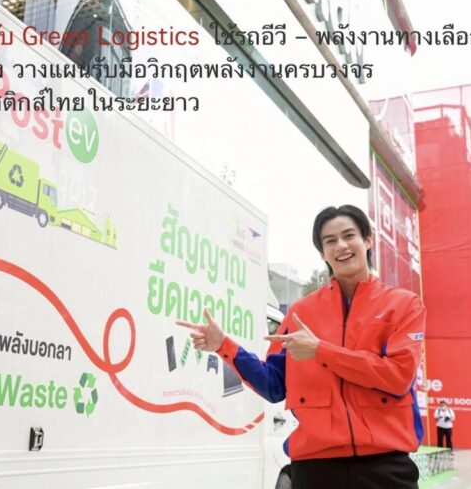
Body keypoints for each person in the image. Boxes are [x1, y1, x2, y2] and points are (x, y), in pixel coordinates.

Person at [177, 205, 426, 489]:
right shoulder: (301, 312)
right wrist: (224, 346)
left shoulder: (403, 305)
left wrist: (321, 350)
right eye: (330, 241)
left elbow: (398, 376)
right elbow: (273, 385)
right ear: (322, 253)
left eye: (349, 236)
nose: (341, 246)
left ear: (367, 240)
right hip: (314, 469)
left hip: (385, 467)